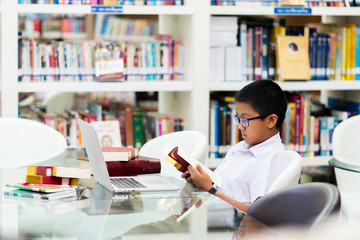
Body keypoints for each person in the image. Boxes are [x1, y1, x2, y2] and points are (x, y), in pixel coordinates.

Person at [182, 80, 289, 213]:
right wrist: (199, 181)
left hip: (234, 225)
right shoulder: (240, 148)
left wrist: (210, 189)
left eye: (245, 120)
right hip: (213, 212)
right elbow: (224, 186)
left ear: (271, 120)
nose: (239, 126)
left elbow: (257, 213)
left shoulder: (269, 158)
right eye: (238, 119)